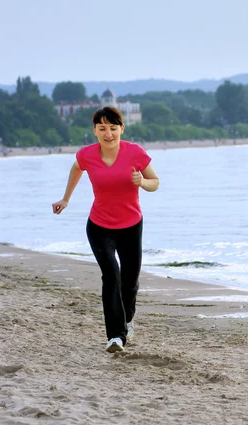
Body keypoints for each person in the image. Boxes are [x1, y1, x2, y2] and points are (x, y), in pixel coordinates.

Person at [52, 106, 160, 353]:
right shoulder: (87, 154)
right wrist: (66, 198)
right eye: (102, 129)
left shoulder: (135, 153)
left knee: (129, 281)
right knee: (111, 275)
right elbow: (76, 168)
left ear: (121, 128)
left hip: (131, 225)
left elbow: (155, 182)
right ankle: (115, 337)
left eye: (113, 128)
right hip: (99, 226)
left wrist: (142, 182)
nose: (108, 133)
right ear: (95, 131)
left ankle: (127, 319)